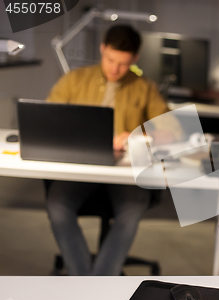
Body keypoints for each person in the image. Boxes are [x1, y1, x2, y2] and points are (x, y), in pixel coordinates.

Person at [46, 25, 183, 275]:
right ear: (102, 49)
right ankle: (84, 279)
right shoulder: (75, 80)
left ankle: (100, 279)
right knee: (57, 204)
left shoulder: (145, 88)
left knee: (132, 210)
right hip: (81, 168)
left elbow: (173, 130)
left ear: (135, 59)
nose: (115, 68)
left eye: (123, 63)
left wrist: (137, 135)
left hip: (126, 174)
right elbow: (48, 119)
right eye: (110, 59)